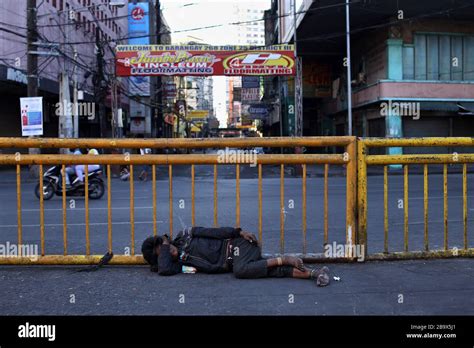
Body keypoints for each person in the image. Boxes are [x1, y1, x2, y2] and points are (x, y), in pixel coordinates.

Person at [141, 226, 330, 286]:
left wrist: (239, 232)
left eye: (166, 246)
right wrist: (164, 248)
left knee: (242, 270)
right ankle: (314, 274)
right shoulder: (178, 265)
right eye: (164, 252)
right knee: (267, 271)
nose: (169, 250)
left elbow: (215, 232)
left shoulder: (186, 235)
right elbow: (164, 269)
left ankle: (286, 259)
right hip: (237, 263)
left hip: (239, 246)